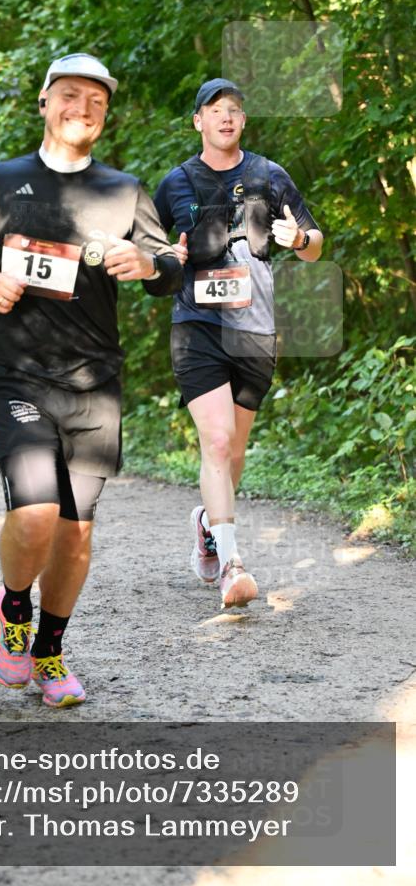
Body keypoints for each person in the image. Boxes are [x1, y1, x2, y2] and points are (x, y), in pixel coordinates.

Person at [0, 52, 184, 707]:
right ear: (44, 102)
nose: (82, 108)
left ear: (105, 116)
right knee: (37, 511)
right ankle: (12, 609)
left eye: (96, 101)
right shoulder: (0, 180)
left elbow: (170, 271)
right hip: (19, 377)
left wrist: (149, 263)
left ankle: (49, 653)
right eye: (70, 95)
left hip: (95, 384)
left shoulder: (124, 191)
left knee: (76, 530)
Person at [154, 78, 323, 610]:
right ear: (198, 121)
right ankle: (232, 563)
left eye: (235, 110)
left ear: (243, 122)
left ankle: (207, 520)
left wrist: (299, 240)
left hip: (255, 328)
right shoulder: (175, 184)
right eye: (214, 110)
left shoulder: (268, 176)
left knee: (236, 449)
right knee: (218, 442)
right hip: (197, 326)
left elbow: (315, 244)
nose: (226, 117)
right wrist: (166, 262)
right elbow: (151, 265)